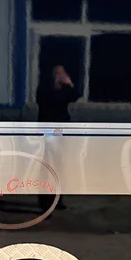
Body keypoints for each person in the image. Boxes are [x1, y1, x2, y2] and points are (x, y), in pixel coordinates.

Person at [35, 64, 80, 212]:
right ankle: (48, 202)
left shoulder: (44, 90)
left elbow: (74, 95)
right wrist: (68, 83)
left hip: (54, 130)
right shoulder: (52, 91)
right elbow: (74, 94)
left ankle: (54, 200)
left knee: (56, 165)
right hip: (51, 130)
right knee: (51, 165)